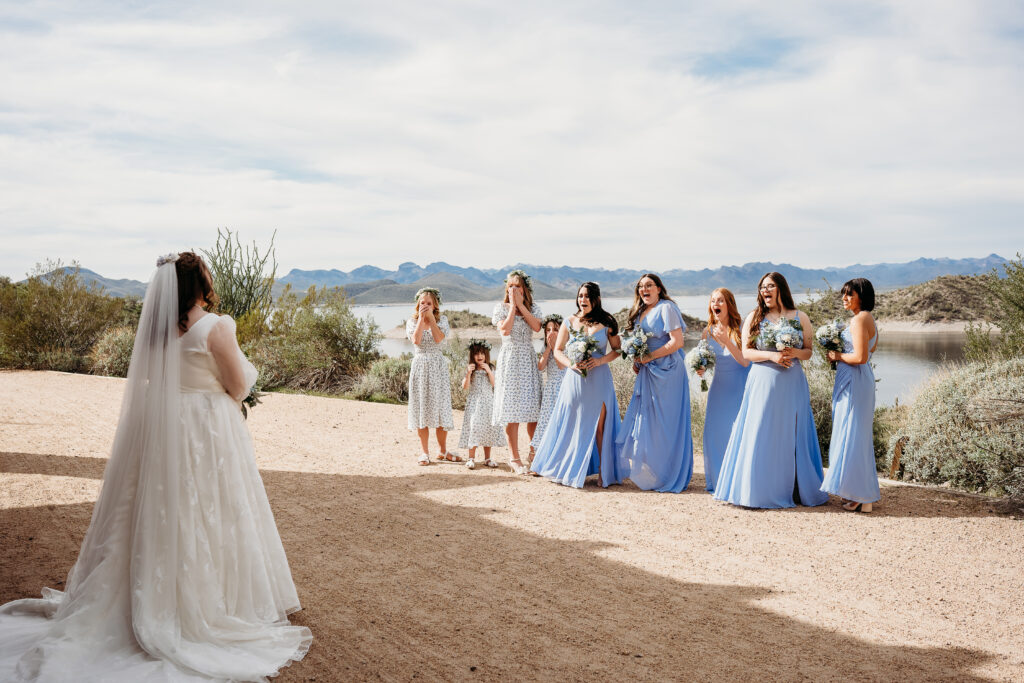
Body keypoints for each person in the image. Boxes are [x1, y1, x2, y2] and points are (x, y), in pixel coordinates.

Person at [0, 252, 311, 682]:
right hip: (207, 431)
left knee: (163, 509)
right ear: (201, 284)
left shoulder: (159, 332)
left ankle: (141, 592)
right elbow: (238, 386)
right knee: (212, 510)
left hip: (165, 429)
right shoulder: (216, 327)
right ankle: (212, 603)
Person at [714, 272, 829, 509]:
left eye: (770, 286)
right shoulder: (754, 317)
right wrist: (772, 355)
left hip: (792, 383)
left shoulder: (800, 317)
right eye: (762, 287)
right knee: (761, 432)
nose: (765, 291)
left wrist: (793, 353)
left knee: (792, 434)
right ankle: (757, 489)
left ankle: (796, 490)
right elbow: (746, 353)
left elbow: (808, 351)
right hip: (763, 382)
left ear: (781, 289)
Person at [530, 282, 623, 488]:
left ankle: (603, 472)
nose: (583, 300)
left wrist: (599, 361)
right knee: (573, 422)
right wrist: (571, 364)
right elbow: (558, 350)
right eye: (580, 296)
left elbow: (617, 350)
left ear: (596, 299)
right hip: (575, 379)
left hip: (599, 379)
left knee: (600, 426)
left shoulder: (608, 321)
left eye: (587, 296)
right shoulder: (569, 321)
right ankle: (568, 466)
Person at [616, 274, 693, 493]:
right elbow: (642, 342)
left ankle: (670, 473)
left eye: (649, 285)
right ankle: (655, 472)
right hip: (648, 372)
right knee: (649, 422)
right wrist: (638, 358)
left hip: (668, 372)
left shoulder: (666, 308)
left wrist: (649, 356)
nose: (644, 289)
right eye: (640, 286)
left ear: (659, 288)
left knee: (667, 423)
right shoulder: (640, 313)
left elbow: (677, 342)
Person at [821, 278, 881, 512]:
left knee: (852, 434)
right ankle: (861, 493)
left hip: (854, 379)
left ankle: (860, 494)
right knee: (857, 434)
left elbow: (860, 357)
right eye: (843, 294)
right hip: (861, 379)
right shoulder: (869, 319)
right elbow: (872, 347)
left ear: (861, 296)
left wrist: (837, 356)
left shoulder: (858, 319)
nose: (844, 298)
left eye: (849, 294)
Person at [699, 288, 751, 493]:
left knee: (737, 434)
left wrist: (727, 341)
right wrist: (701, 368)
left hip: (740, 389)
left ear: (729, 304)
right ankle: (719, 479)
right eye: (713, 301)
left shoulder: (741, 328)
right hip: (718, 390)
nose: (715, 304)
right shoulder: (707, 331)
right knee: (716, 434)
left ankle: (738, 480)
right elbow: (708, 361)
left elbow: (745, 362)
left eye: (720, 300)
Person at [491, 270, 542, 474]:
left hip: (527, 358)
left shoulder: (534, 308)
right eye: (510, 286)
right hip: (510, 359)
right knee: (511, 410)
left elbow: (537, 327)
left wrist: (521, 305)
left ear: (524, 289)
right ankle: (514, 457)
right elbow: (505, 330)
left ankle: (534, 453)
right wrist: (513, 307)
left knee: (533, 410)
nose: (514, 289)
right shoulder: (500, 308)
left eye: (517, 286)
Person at [407, 287, 457, 465]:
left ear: (435, 305)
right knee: (422, 408)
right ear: (418, 304)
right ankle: (424, 452)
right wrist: (421, 319)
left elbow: (438, 339)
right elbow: (416, 340)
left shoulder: (442, 320)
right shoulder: (412, 321)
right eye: (422, 303)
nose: (425, 306)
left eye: (429, 303)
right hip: (420, 366)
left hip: (437, 366)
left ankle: (443, 450)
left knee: (441, 408)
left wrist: (431, 321)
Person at [459, 339, 506, 469]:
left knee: (488, 428)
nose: (480, 356)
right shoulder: (471, 369)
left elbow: (495, 384)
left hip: (488, 403)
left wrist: (489, 371)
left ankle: (487, 458)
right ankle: (471, 458)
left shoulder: (490, 368)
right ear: (472, 356)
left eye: (482, 353)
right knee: (473, 427)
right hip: (475, 403)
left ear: (486, 355)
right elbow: (465, 386)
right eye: (477, 354)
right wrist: (468, 373)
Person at [529, 313, 567, 467]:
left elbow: (561, 366)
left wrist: (555, 348)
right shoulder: (546, 348)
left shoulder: (564, 347)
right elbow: (540, 366)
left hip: (563, 388)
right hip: (550, 390)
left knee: (560, 422)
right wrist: (548, 349)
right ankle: (538, 455)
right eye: (548, 330)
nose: (551, 332)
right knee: (545, 421)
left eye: (555, 329)